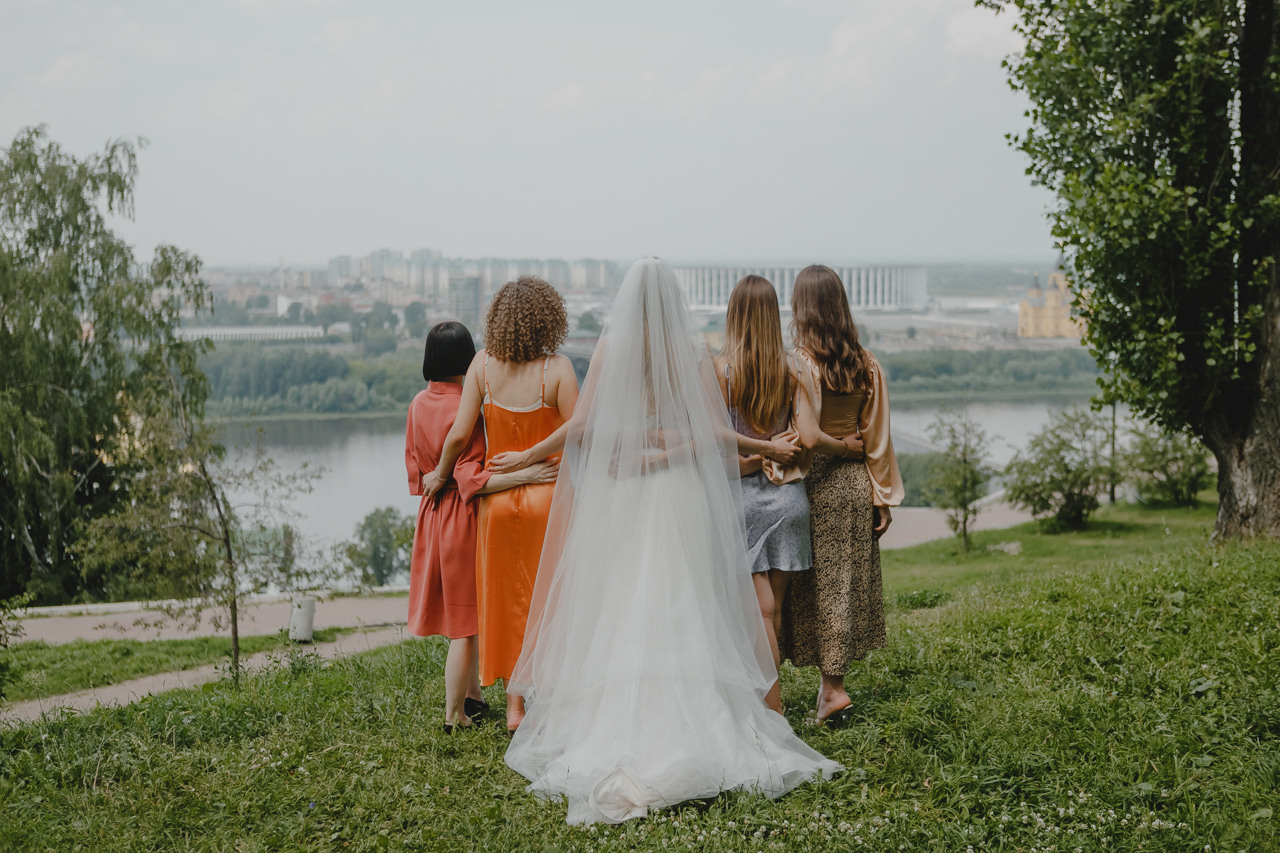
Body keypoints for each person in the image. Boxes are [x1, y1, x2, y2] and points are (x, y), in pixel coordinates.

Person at [504, 258, 841, 825]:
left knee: (624, 599)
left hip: (625, 492)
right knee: (685, 597)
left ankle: (618, 718)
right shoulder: (692, 352)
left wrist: (530, 455)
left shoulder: (609, 350)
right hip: (678, 489)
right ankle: (707, 721)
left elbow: (583, 426)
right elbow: (711, 432)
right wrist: (746, 448)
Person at [423, 278, 579, 732]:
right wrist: (533, 456)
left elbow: (458, 434)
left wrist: (441, 473)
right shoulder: (558, 370)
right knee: (549, 600)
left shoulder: (482, 366)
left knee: (508, 603)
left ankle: (515, 708)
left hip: (496, 503)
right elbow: (580, 428)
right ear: (549, 319)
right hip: (547, 496)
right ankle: (553, 695)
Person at [714, 275, 863, 715]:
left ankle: (768, 708)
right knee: (772, 611)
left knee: (754, 613)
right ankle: (765, 703)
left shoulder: (720, 371)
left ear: (734, 315)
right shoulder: (792, 369)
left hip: (740, 501)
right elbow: (807, 436)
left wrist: (749, 457)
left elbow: (712, 440)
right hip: (788, 501)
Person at [780, 265, 904, 726]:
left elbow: (793, 432)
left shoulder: (797, 364)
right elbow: (878, 437)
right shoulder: (867, 364)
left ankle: (826, 693)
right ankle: (831, 687)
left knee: (804, 586)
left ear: (801, 307)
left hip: (808, 483)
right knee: (842, 585)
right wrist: (881, 496)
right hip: (853, 485)